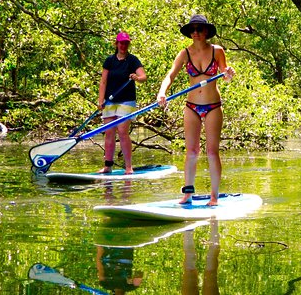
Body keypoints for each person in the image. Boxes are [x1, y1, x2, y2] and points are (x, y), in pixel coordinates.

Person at [157, 15, 235, 206]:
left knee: (211, 152)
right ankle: (188, 194)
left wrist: (229, 75)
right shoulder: (185, 53)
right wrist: (162, 92)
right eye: (193, 30)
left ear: (206, 31)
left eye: (200, 29)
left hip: (213, 106)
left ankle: (214, 196)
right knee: (191, 151)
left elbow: (226, 75)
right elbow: (170, 75)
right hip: (191, 107)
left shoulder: (217, 51)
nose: (196, 33)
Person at [98, 32, 147, 174]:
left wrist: (137, 77)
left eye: (126, 43)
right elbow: (103, 82)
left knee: (122, 131)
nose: (123, 46)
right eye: (121, 43)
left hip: (127, 100)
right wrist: (101, 100)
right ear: (116, 44)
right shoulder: (109, 61)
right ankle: (108, 165)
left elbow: (143, 76)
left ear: (128, 44)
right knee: (109, 132)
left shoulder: (132, 60)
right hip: (110, 100)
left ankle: (128, 167)